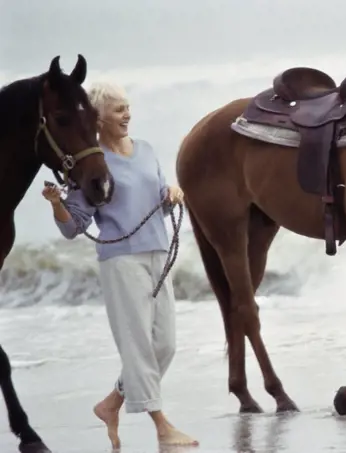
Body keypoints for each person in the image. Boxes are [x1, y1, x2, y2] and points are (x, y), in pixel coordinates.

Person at [41, 81, 199, 448]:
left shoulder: (145, 150)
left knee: (166, 345)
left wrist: (171, 194)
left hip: (159, 251)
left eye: (127, 108)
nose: (127, 115)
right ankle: (162, 426)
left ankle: (111, 404)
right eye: (118, 110)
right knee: (138, 346)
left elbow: (158, 200)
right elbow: (73, 226)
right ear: (98, 119)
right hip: (121, 260)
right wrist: (56, 204)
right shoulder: (92, 164)